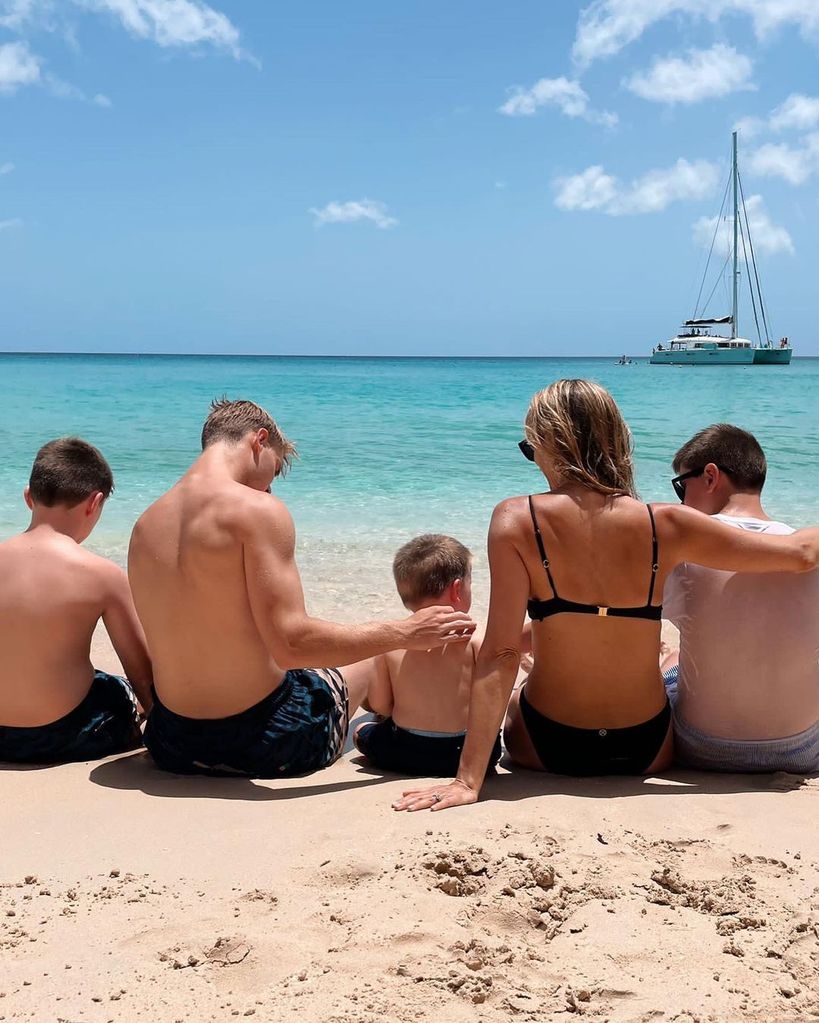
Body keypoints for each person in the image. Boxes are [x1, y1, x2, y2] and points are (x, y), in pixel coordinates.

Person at [393, 379, 819, 812]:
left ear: (551, 443)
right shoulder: (666, 524)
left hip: (545, 746)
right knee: (665, 660)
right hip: (648, 750)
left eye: (531, 448)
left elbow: (501, 652)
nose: (535, 461)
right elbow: (801, 553)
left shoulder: (515, 519)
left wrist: (468, 780)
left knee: (525, 676)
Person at [128, 399, 475, 778]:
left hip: (172, 741)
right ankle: (413, 732)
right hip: (267, 743)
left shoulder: (145, 523)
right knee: (375, 651)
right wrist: (403, 632)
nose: (270, 487)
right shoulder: (257, 510)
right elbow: (292, 645)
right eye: (274, 471)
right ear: (259, 441)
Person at [663, 424, 819, 772]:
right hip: (800, 748)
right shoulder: (806, 548)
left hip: (701, 746)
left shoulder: (684, 553)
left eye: (680, 486)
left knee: (669, 664)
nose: (682, 500)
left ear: (710, 476)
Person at [0, 438, 151, 764]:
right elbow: (141, 674)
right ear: (94, 503)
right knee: (117, 690)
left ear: (29, 497)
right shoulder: (101, 575)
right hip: (62, 735)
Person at [354, 534, 503, 776]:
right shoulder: (476, 640)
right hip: (472, 756)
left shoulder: (393, 641)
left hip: (406, 751)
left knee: (361, 731)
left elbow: (381, 704)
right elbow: (492, 701)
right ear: (457, 589)